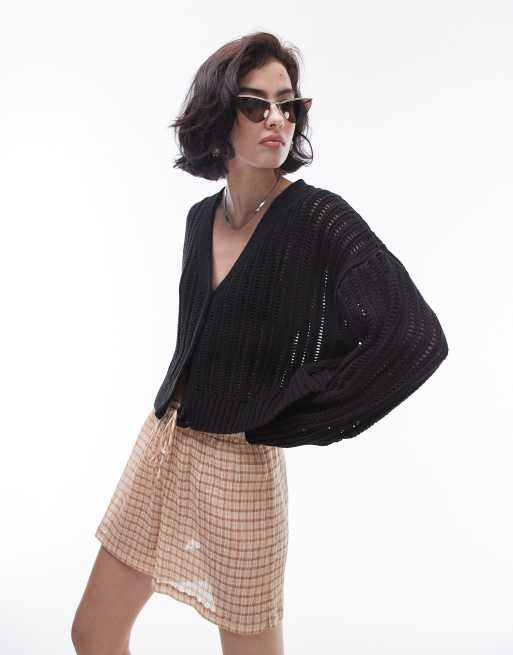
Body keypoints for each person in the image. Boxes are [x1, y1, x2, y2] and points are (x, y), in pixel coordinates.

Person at [71, 30, 448, 655]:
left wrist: (297, 409)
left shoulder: (318, 218)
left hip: (242, 468)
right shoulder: (200, 219)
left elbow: (413, 334)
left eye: (287, 104)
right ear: (221, 117)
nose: (277, 118)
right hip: (163, 443)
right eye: (256, 104)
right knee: (93, 631)